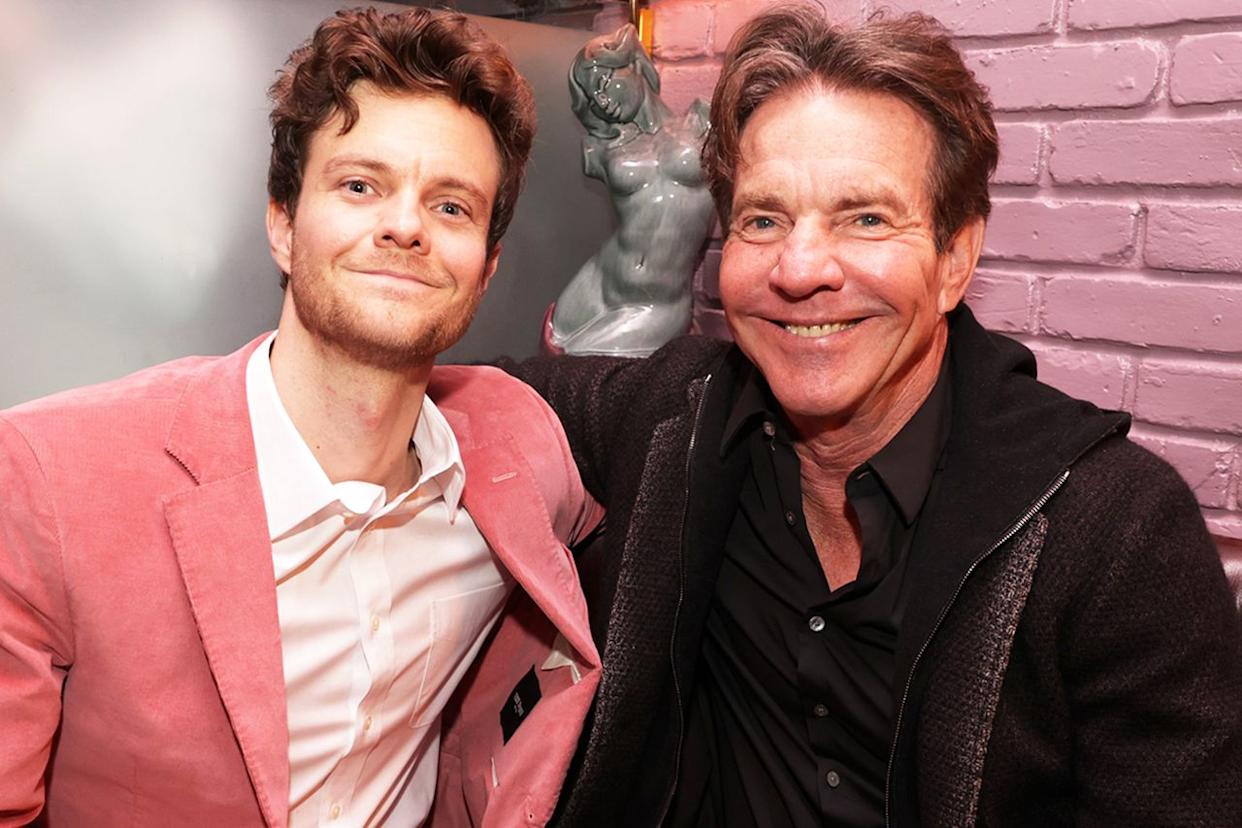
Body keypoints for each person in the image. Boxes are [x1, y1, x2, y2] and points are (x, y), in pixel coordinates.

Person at [510, 6, 1242, 826]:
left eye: (865, 218)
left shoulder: (1115, 535)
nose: (800, 269)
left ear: (955, 259)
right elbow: (468, 394)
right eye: (763, 219)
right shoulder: (675, 420)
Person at [0, 8, 601, 826]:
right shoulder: (49, 482)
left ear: (487, 267)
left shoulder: (519, 448)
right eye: (360, 186)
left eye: (452, 206)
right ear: (283, 225)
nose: (405, 226)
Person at [542, 23, 715, 357]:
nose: (602, 99)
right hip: (596, 286)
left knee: (580, 368)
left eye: (605, 81)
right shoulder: (601, 149)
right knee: (552, 356)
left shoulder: (702, 122)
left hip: (659, 303)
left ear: (634, 64)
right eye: (593, 95)